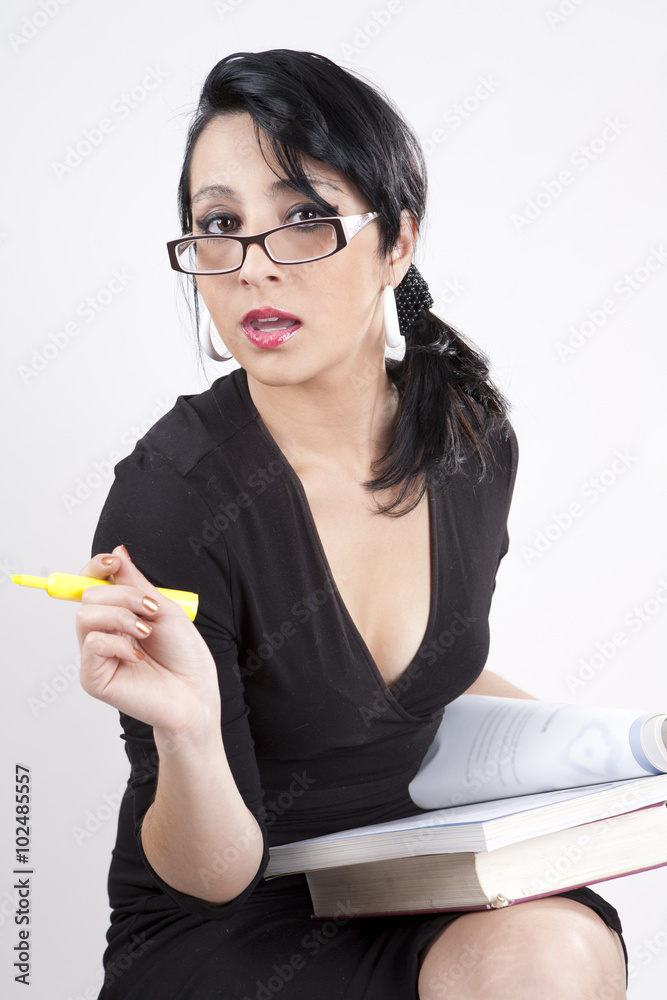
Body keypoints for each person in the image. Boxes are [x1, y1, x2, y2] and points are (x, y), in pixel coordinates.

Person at [75, 49, 629, 999]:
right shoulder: (174, 496)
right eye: (220, 226)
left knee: (555, 952)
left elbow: (425, 681)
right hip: (231, 919)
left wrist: (617, 758)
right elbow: (211, 870)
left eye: (303, 219)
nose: (251, 266)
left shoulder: (465, 436)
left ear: (397, 241)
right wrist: (192, 730)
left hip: (411, 873)